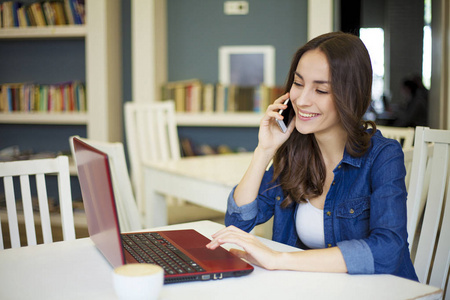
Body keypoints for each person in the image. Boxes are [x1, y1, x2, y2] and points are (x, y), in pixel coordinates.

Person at [206, 32, 418, 281]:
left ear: (351, 95)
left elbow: (386, 250)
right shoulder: (297, 149)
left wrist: (277, 259)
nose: (302, 100)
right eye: (298, 83)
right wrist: (264, 151)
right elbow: (238, 222)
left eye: (321, 90)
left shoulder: (383, 156)